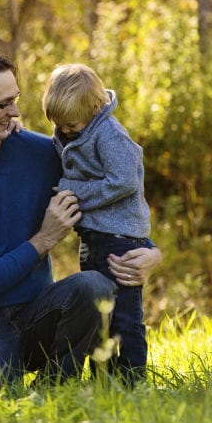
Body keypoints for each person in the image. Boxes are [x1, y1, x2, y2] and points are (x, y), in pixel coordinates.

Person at [0, 51, 162, 388]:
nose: (14, 111)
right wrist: (43, 240)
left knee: (93, 287)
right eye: (3, 104)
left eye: (15, 100)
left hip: (41, 313)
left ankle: (56, 387)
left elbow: (118, 188)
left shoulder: (41, 153)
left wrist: (151, 253)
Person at [41, 63, 155, 384]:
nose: (64, 131)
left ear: (94, 108)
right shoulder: (75, 128)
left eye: (70, 125)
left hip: (119, 238)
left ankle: (132, 380)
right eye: (58, 125)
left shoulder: (109, 134)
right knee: (97, 314)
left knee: (124, 317)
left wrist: (72, 191)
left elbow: (123, 182)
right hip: (93, 237)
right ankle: (103, 380)